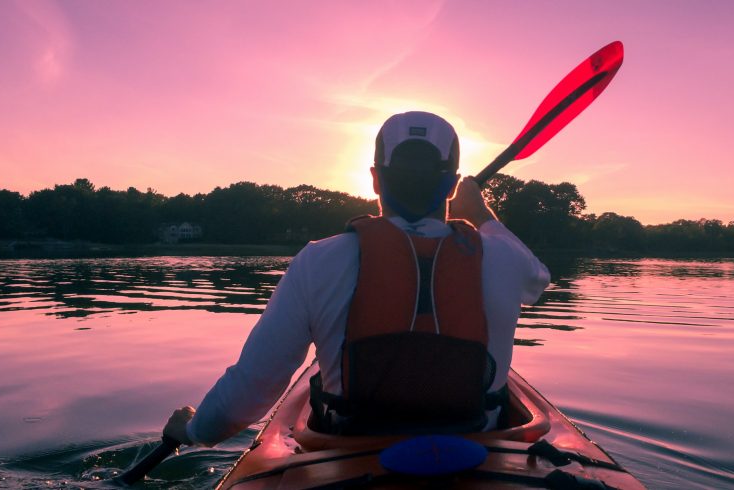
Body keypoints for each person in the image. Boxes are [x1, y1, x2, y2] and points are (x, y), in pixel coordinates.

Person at [163, 111, 550, 445]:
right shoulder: (504, 258)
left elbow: (248, 392)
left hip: (351, 453)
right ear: (451, 185)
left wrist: (193, 431)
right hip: (479, 450)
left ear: (375, 179)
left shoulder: (318, 260)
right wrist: (480, 213)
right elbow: (539, 279)